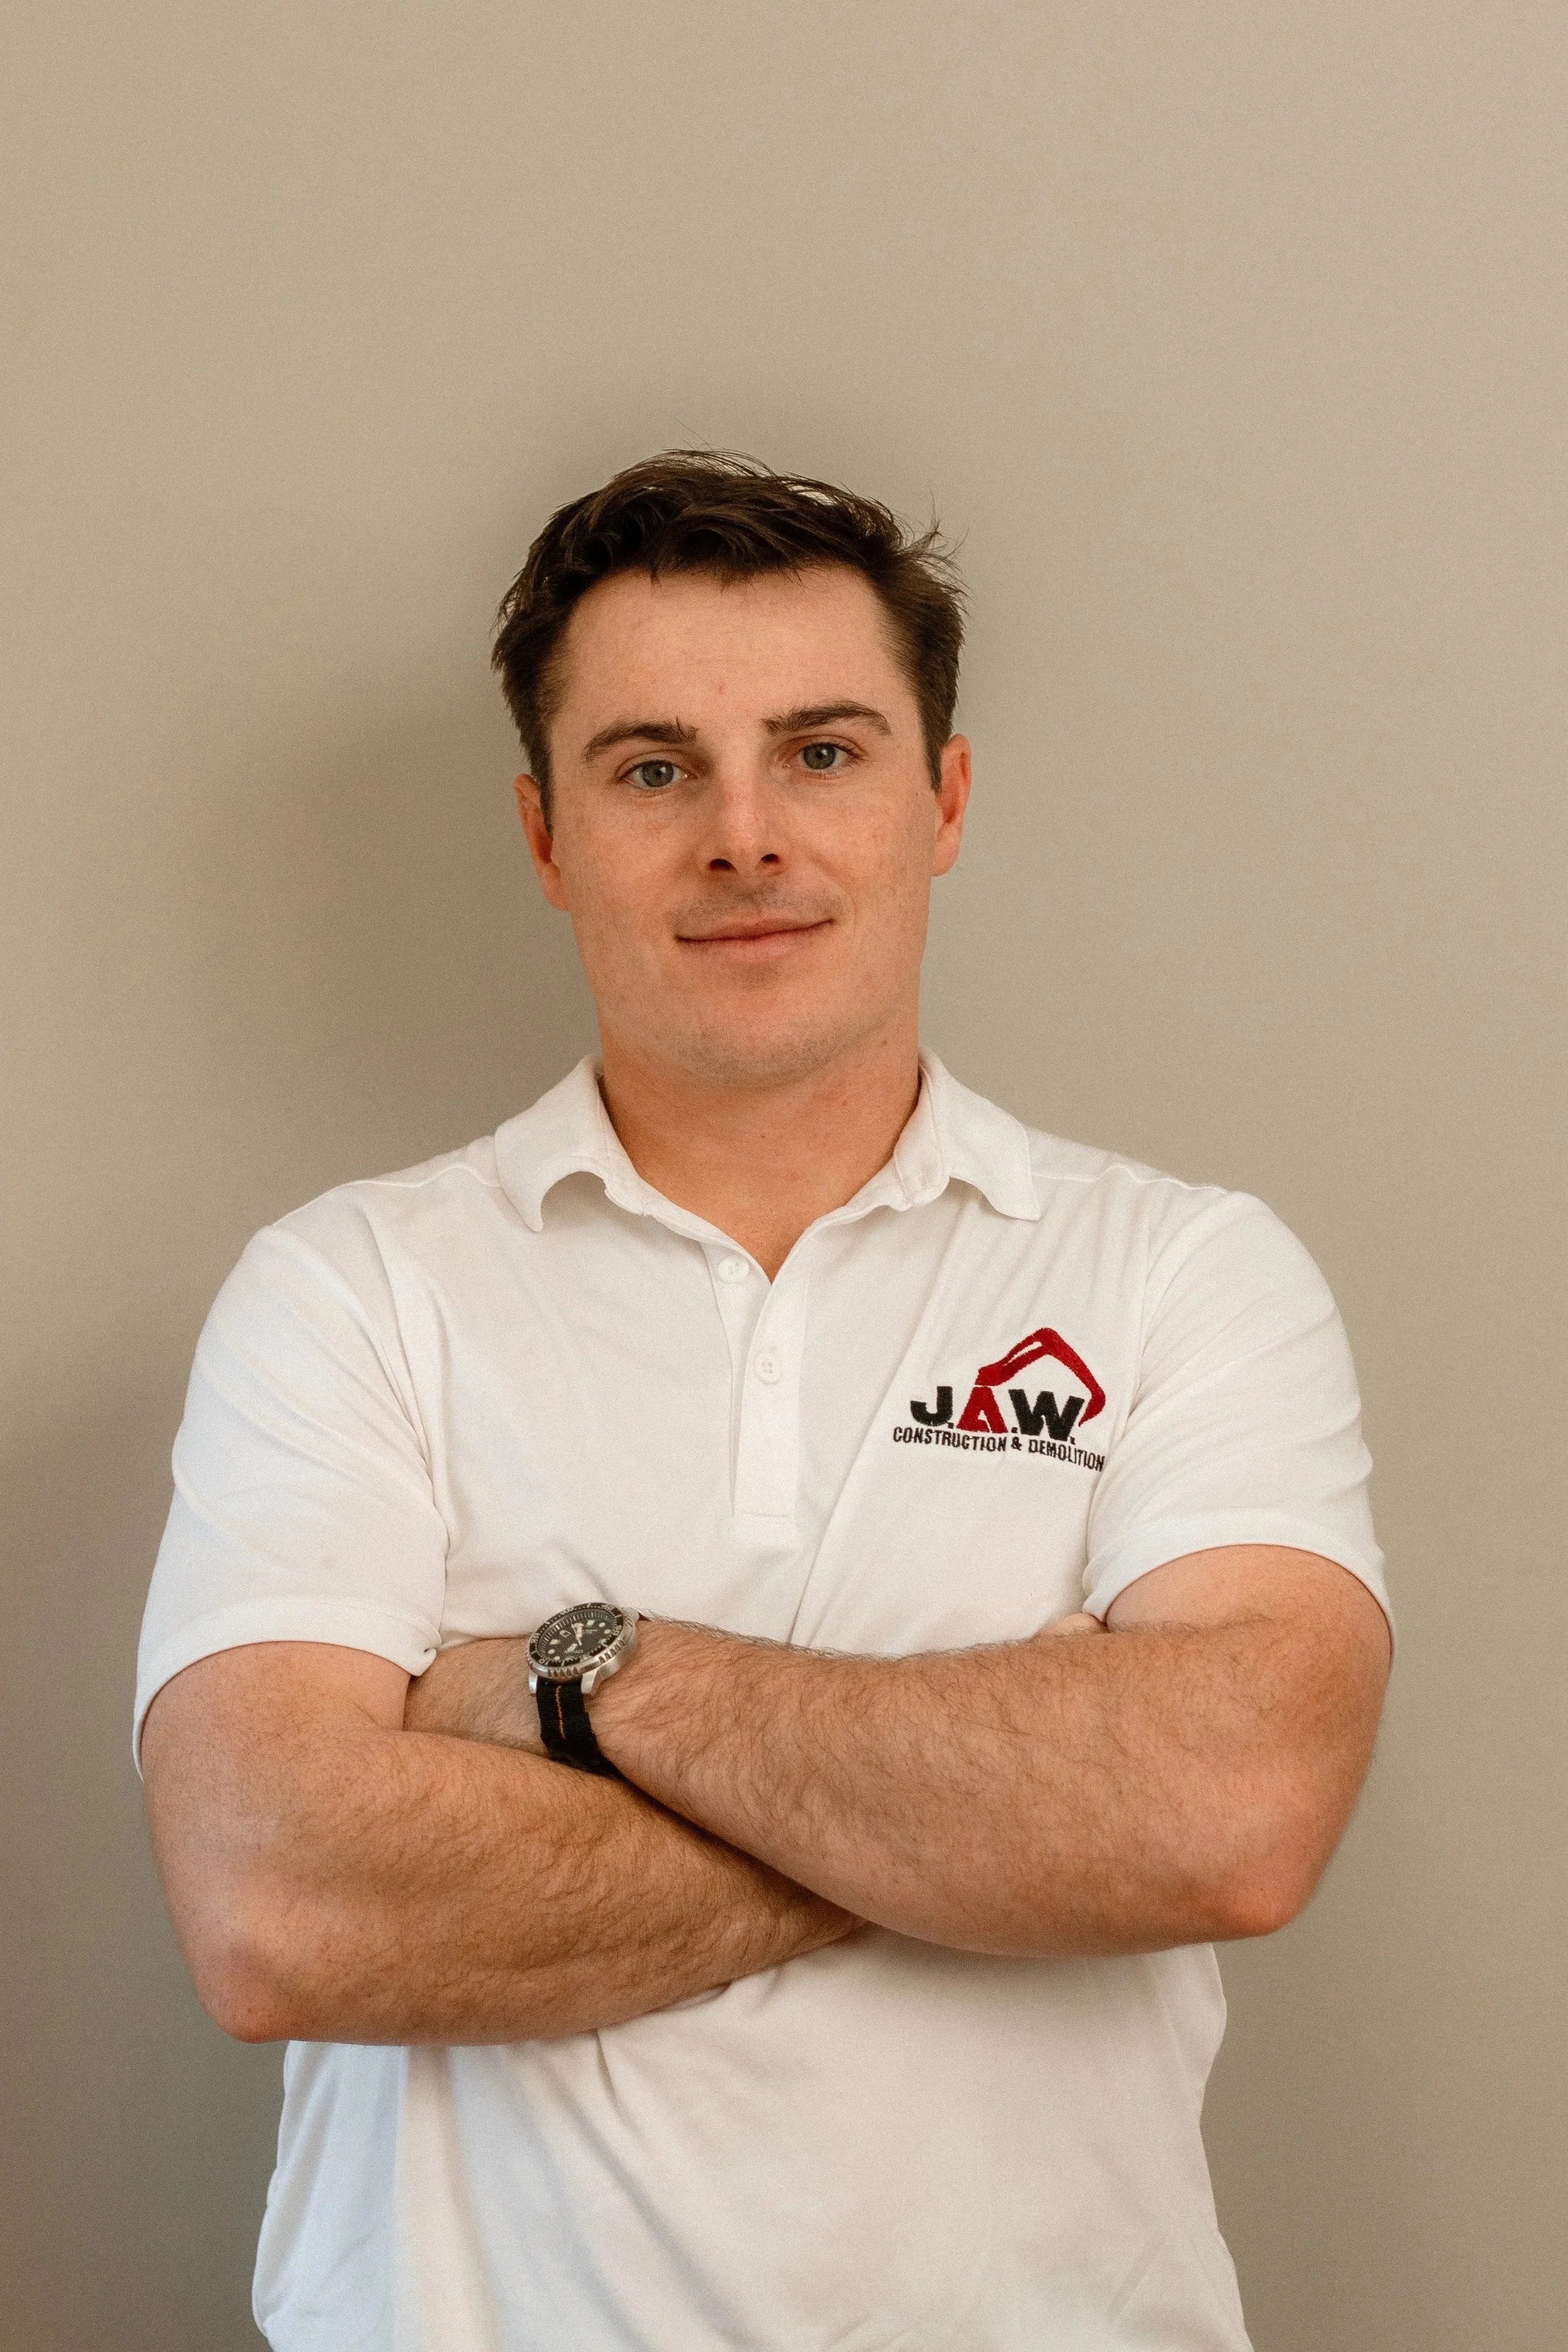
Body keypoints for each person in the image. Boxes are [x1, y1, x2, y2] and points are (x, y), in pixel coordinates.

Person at [138, 451, 1392, 2351]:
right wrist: (993, 1806)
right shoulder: (350, 1291)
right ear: (547, 834)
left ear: (940, 799)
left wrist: (572, 1678)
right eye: (652, 768)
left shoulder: (1176, 1273)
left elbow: (1225, 1810)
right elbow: (280, 1905)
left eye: (821, 751)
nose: (744, 833)